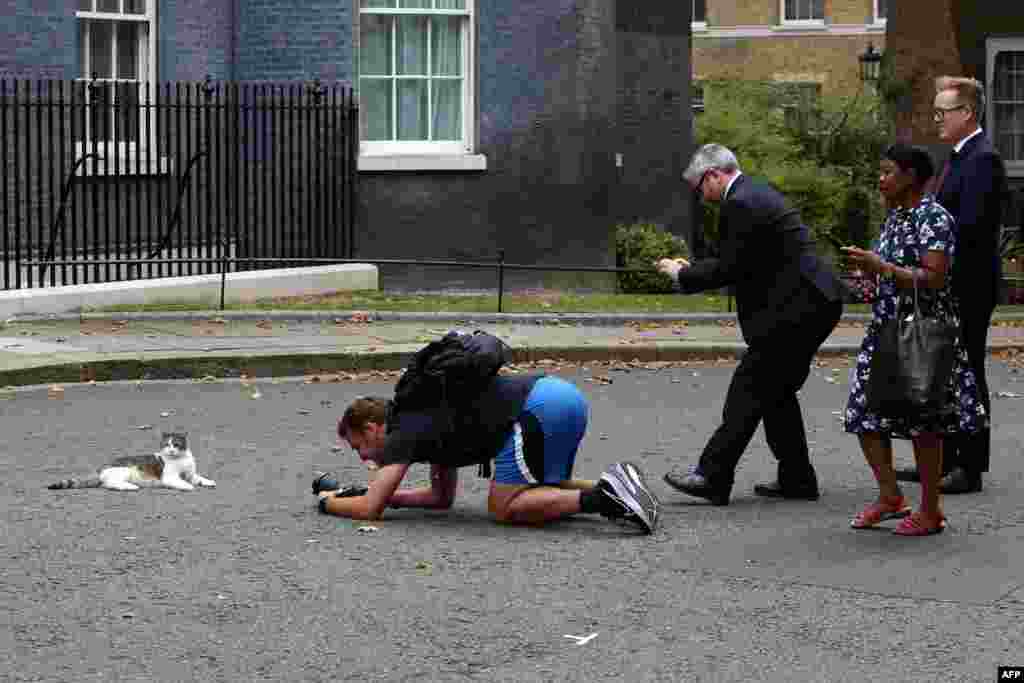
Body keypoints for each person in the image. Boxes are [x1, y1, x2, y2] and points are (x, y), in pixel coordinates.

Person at [656, 143, 844, 505]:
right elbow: (744, 260)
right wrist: (694, 269)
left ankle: (712, 476)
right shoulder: (754, 192)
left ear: (712, 176)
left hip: (798, 310)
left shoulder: (739, 202)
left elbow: (730, 267)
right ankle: (797, 478)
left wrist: (683, 274)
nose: (702, 197)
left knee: (749, 388)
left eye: (699, 189)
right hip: (812, 303)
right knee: (776, 393)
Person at [842, 143, 987, 535]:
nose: (881, 178)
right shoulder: (895, 218)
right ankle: (890, 496)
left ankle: (930, 510)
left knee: (925, 419)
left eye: (888, 171)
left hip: (923, 332)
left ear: (910, 176)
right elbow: (890, 272)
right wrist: (866, 274)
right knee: (864, 414)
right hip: (885, 328)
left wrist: (882, 267)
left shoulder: (933, 217)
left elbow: (934, 277)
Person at [316, 374, 661, 533]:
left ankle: (605, 498)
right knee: (545, 487)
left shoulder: (400, 435)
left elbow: (368, 510)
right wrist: (392, 497)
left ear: (373, 428)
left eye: (358, 446)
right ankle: (621, 485)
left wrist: (328, 502)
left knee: (503, 507)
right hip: (560, 395)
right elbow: (440, 498)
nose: (362, 458)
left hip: (537, 408)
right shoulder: (422, 416)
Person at [895, 76, 1009, 494]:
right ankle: (943, 461)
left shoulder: (982, 159)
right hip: (952, 283)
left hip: (968, 285)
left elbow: (972, 229)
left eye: (943, 112)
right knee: (947, 372)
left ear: (967, 113)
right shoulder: (960, 156)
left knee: (967, 372)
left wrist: (932, 257)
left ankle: (971, 466)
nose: (937, 118)